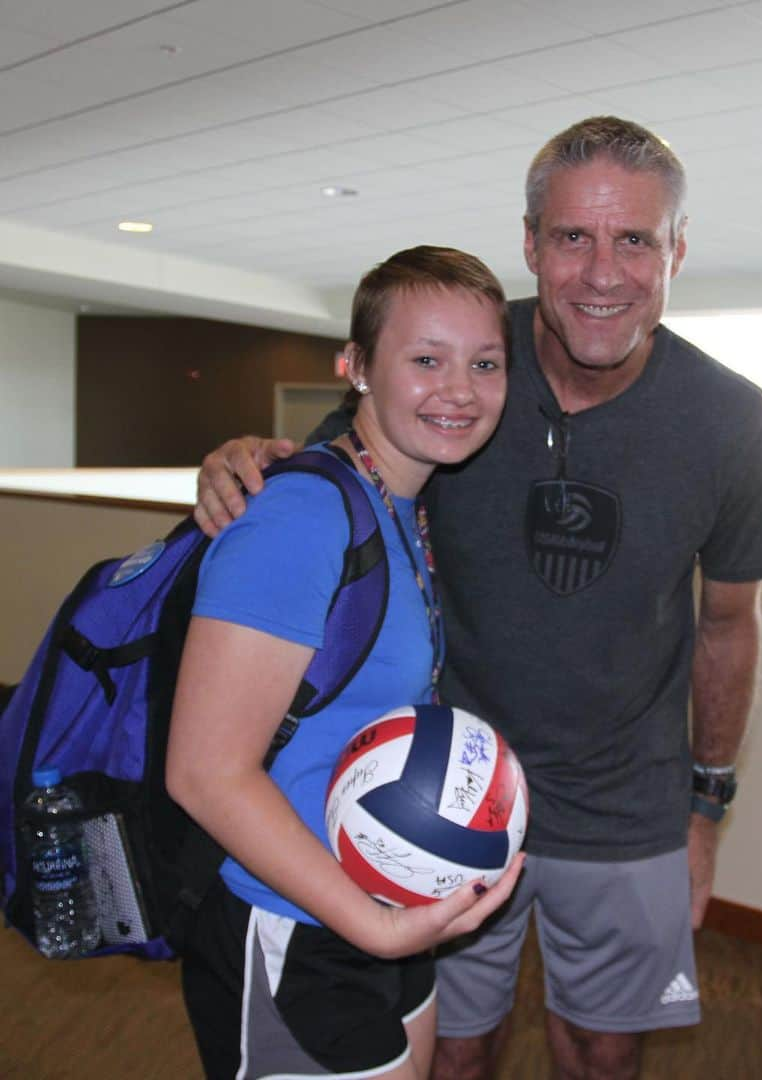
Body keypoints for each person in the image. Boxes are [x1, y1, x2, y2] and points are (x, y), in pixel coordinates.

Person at [195, 117, 762, 1080]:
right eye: (572, 237)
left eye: (634, 239)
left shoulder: (731, 419)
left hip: (628, 803)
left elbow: (728, 623)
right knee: (453, 1048)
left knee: (603, 1049)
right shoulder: (467, 356)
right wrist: (245, 459)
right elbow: (350, 457)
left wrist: (705, 810)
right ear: (530, 244)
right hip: (440, 789)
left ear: (677, 249)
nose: (603, 272)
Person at [166, 245, 523, 1080]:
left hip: (381, 899)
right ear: (356, 366)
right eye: (425, 359)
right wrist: (372, 928)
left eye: (485, 362)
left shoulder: (401, 500)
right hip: (295, 921)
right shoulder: (299, 516)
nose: (459, 389)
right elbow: (205, 773)